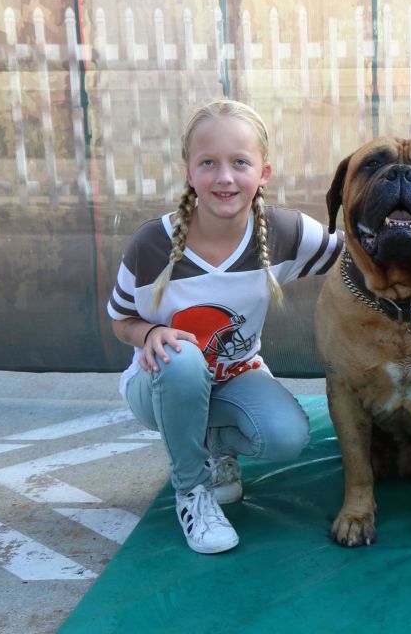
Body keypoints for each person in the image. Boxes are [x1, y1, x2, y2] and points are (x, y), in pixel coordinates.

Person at [107, 99, 343, 554]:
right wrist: (148, 334)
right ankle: (193, 491)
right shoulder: (153, 243)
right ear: (189, 172)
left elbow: (360, 257)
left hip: (236, 376)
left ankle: (215, 446)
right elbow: (121, 319)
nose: (225, 177)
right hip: (159, 383)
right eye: (208, 163)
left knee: (287, 436)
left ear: (264, 173)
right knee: (181, 357)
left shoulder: (287, 232)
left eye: (240, 162)